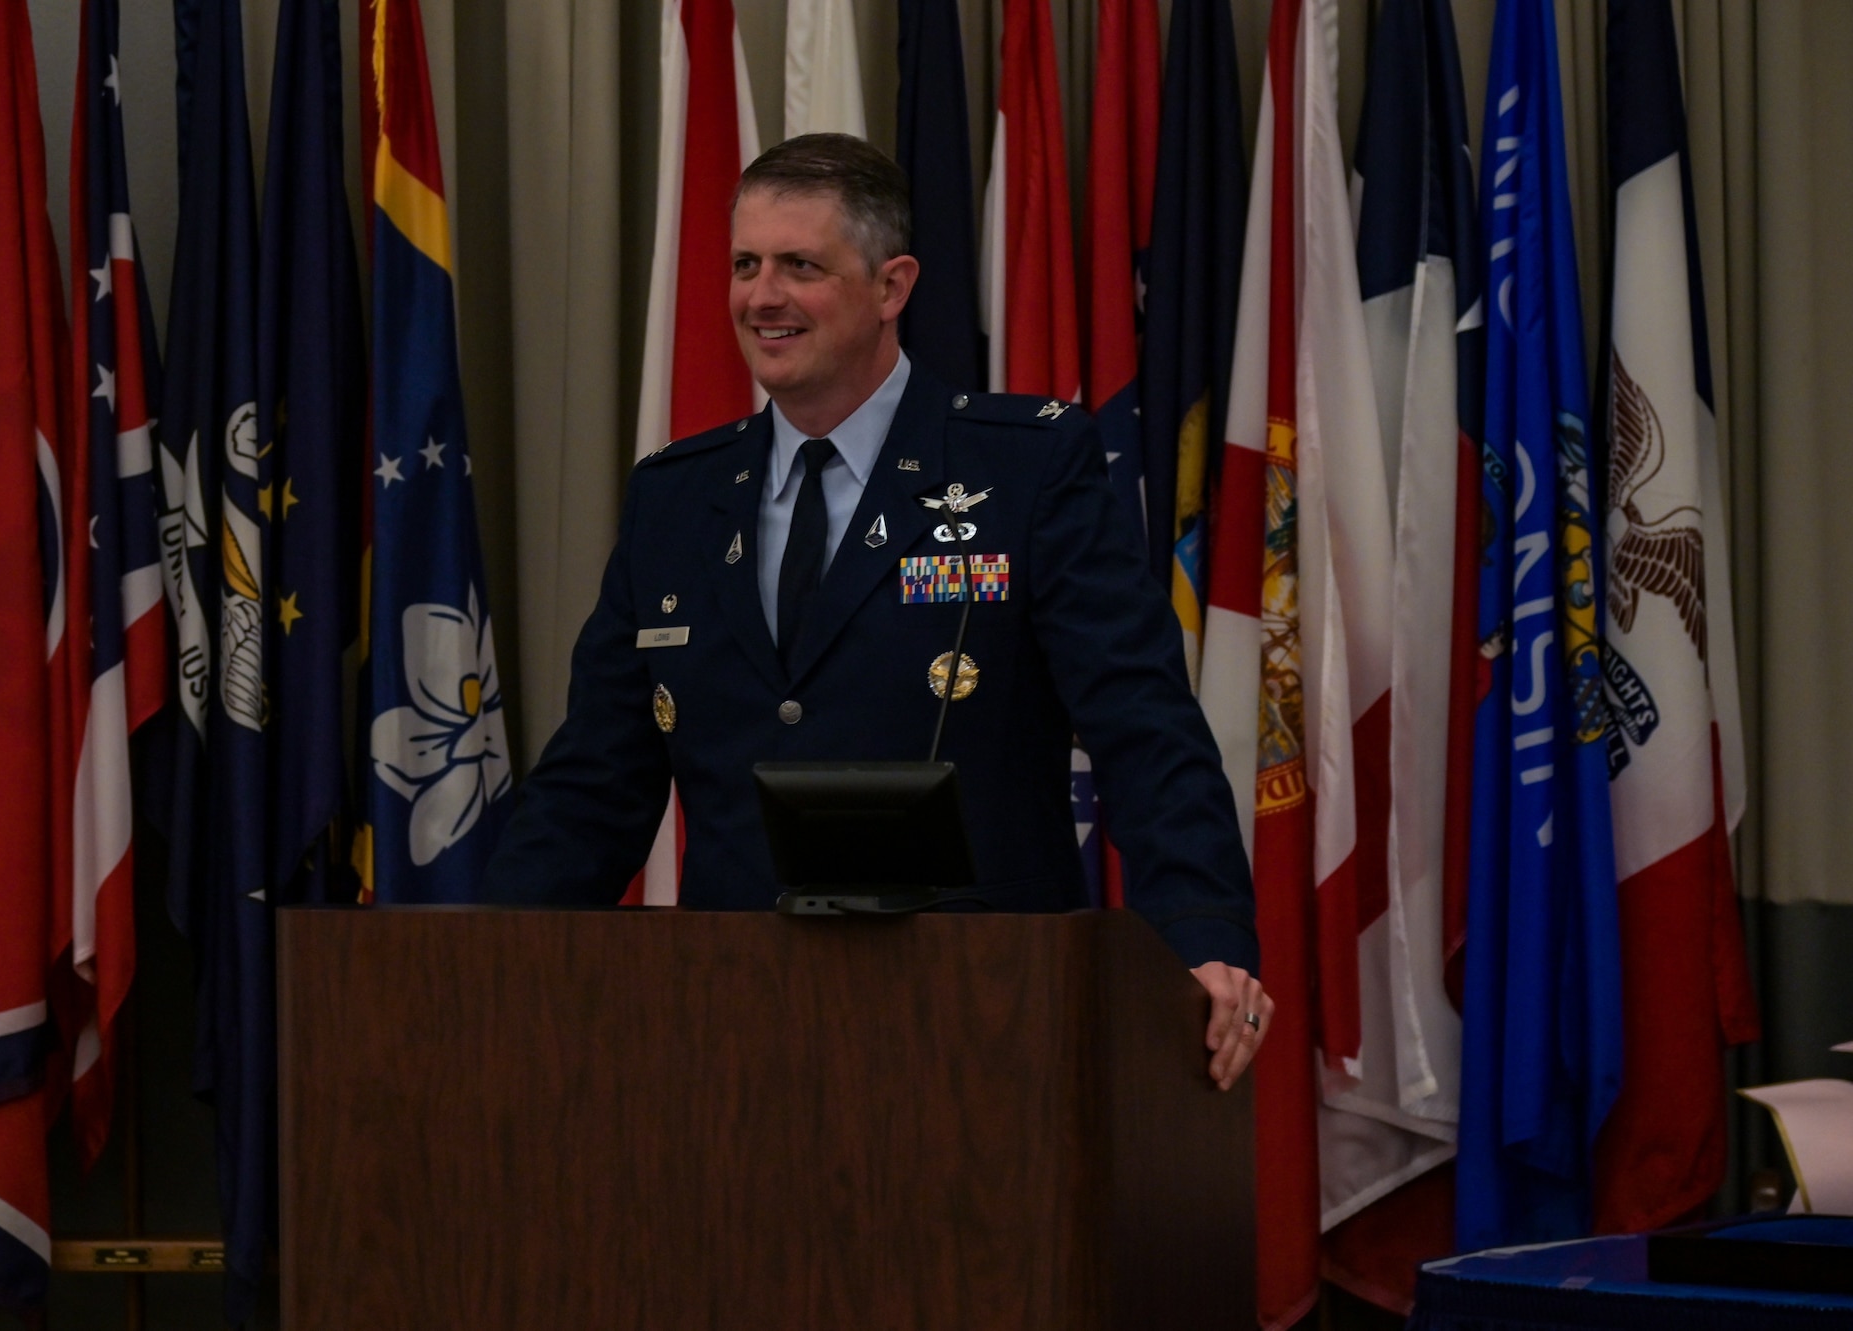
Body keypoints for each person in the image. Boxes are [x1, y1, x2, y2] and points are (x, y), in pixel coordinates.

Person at [484, 133, 1273, 1089]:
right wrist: (483, 957)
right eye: (745, 265)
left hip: (979, 1021)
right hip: (727, 1022)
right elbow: (595, 779)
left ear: (892, 286)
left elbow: (1144, 729)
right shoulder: (677, 496)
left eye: (799, 266)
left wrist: (1202, 934)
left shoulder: (1023, 467)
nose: (760, 297)